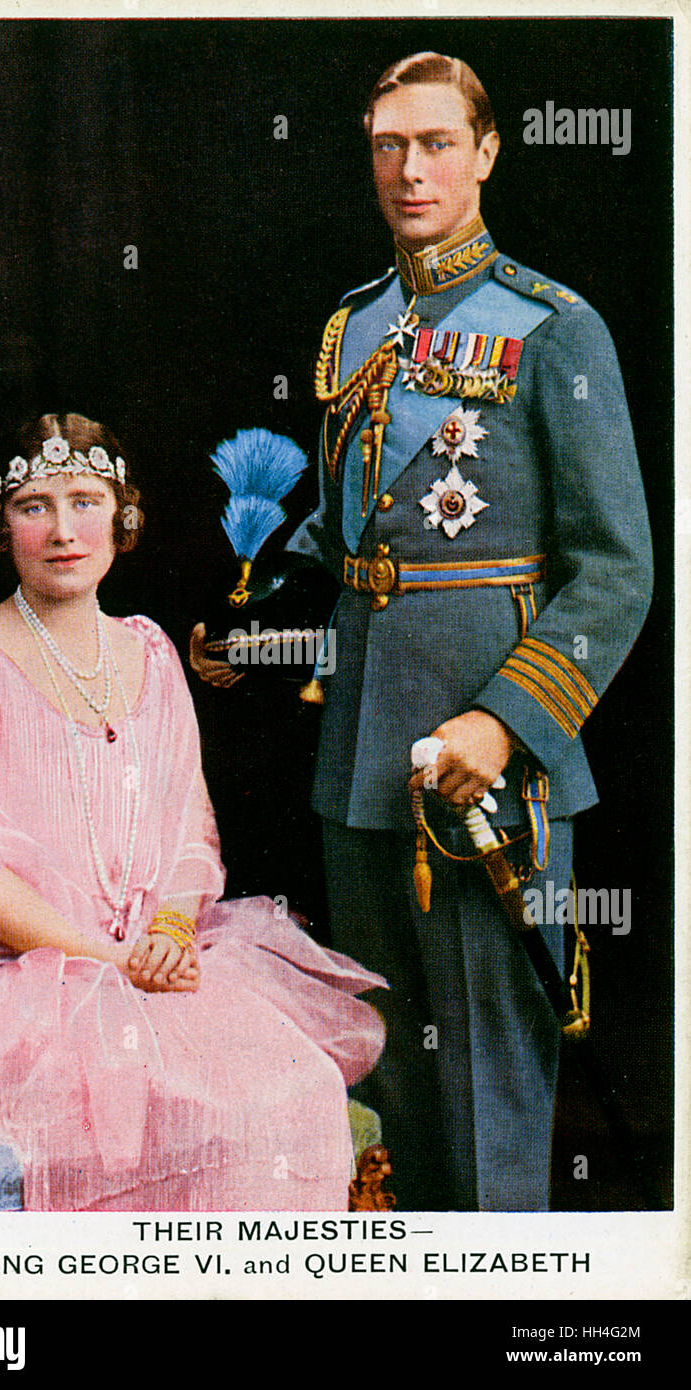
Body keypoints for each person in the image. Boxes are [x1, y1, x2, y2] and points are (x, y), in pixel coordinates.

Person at [191, 53, 653, 1211]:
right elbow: (347, 540)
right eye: (390, 145)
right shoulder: (354, 325)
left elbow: (618, 571)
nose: (412, 170)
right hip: (359, 745)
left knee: (490, 1081)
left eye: (438, 143)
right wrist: (258, 639)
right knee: (388, 1067)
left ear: (487, 153)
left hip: (486, 753)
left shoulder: (556, 329)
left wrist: (505, 727)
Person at [0, 412, 386, 1213]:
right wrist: (103, 958)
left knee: (284, 1090)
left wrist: (168, 933)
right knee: (137, 1113)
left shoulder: (151, 651)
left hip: (152, 962)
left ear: (121, 520)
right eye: (34, 507)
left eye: (85, 501)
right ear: (0, 526)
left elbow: (193, 833)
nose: (62, 532)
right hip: (6, 983)